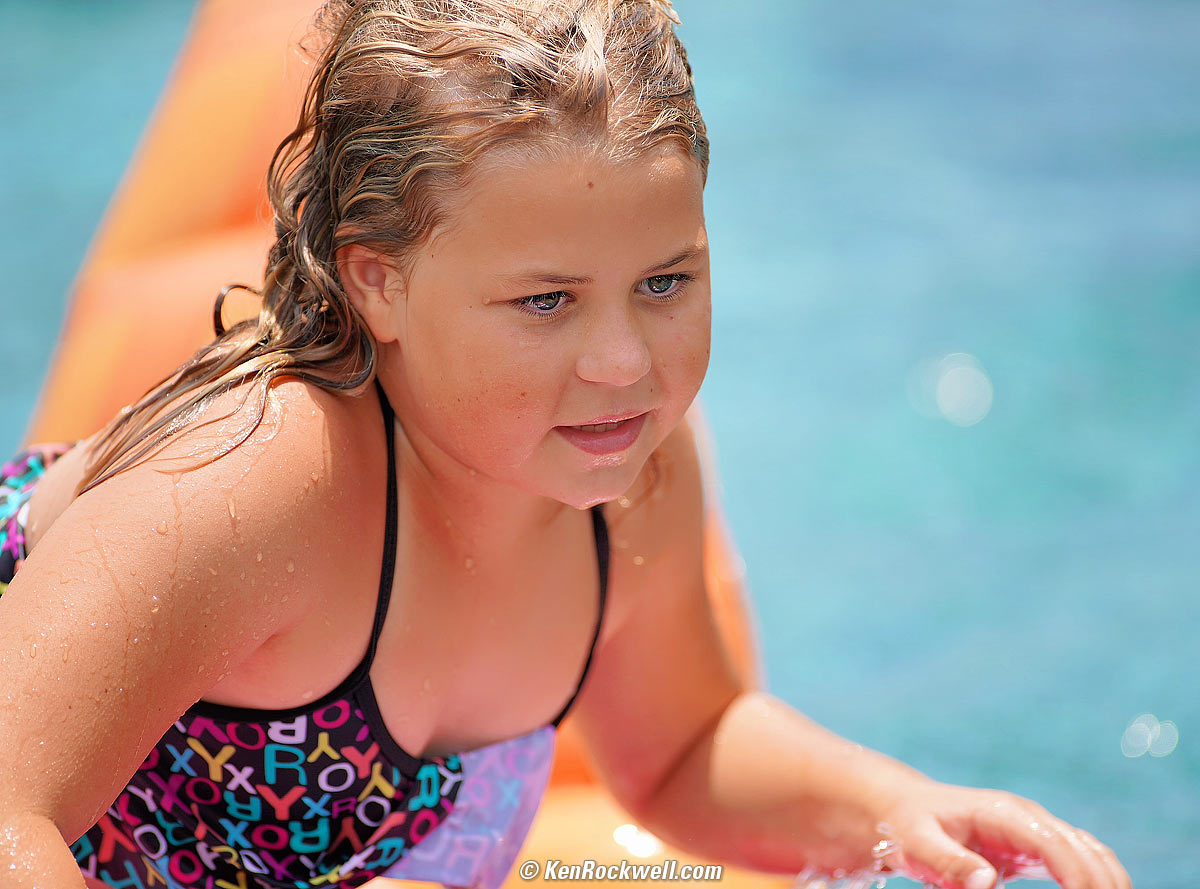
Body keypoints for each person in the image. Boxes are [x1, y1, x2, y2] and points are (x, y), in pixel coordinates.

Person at [0, 2, 1132, 888]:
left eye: (665, 282)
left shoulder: (633, 477)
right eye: (546, 301)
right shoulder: (261, 484)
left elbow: (685, 748)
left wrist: (898, 810)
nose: (625, 363)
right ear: (378, 281)